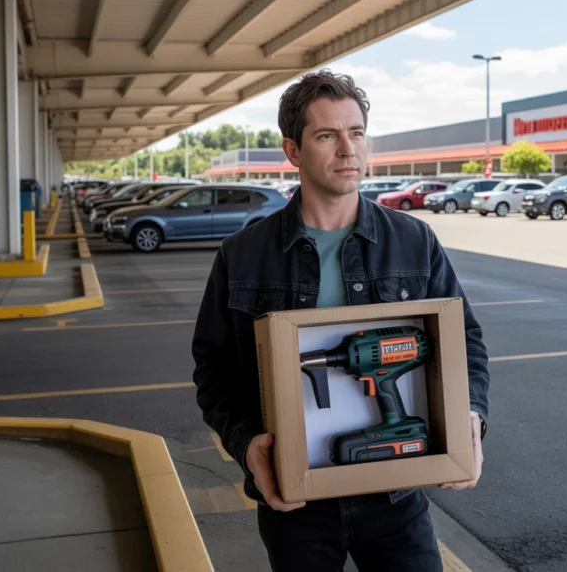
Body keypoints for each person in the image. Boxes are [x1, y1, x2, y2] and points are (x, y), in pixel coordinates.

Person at [192, 70, 490, 571]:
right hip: (295, 501)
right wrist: (248, 447)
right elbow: (214, 368)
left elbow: (467, 343)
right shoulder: (243, 255)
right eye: (327, 135)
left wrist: (472, 418)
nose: (347, 149)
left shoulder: (414, 241)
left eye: (355, 133)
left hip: (396, 496)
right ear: (294, 151)